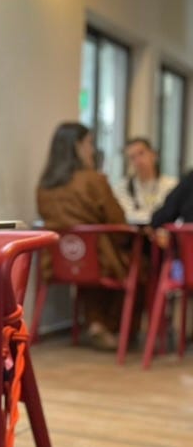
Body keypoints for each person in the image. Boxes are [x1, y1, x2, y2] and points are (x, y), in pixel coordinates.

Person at [36, 121, 132, 351]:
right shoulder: (94, 180)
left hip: (57, 262)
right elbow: (118, 220)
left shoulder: (44, 185)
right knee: (139, 265)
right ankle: (112, 328)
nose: (92, 149)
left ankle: (96, 323)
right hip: (98, 260)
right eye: (89, 143)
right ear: (77, 146)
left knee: (93, 269)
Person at [117, 137, 178, 225]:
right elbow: (126, 215)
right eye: (132, 157)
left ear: (153, 154)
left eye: (141, 153)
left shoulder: (171, 185)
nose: (138, 161)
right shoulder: (123, 187)